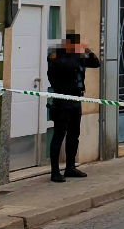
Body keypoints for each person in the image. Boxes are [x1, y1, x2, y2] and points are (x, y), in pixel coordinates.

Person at [46, 33, 100, 183]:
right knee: (59, 135)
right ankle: (55, 172)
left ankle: (70, 167)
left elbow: (96, 63)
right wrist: (78, 53)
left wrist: (88, 50)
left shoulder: (77, 58)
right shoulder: (56, 57)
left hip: (76, 100)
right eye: (76, 45)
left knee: (74, 135)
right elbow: (67, 66)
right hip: (62, 101)